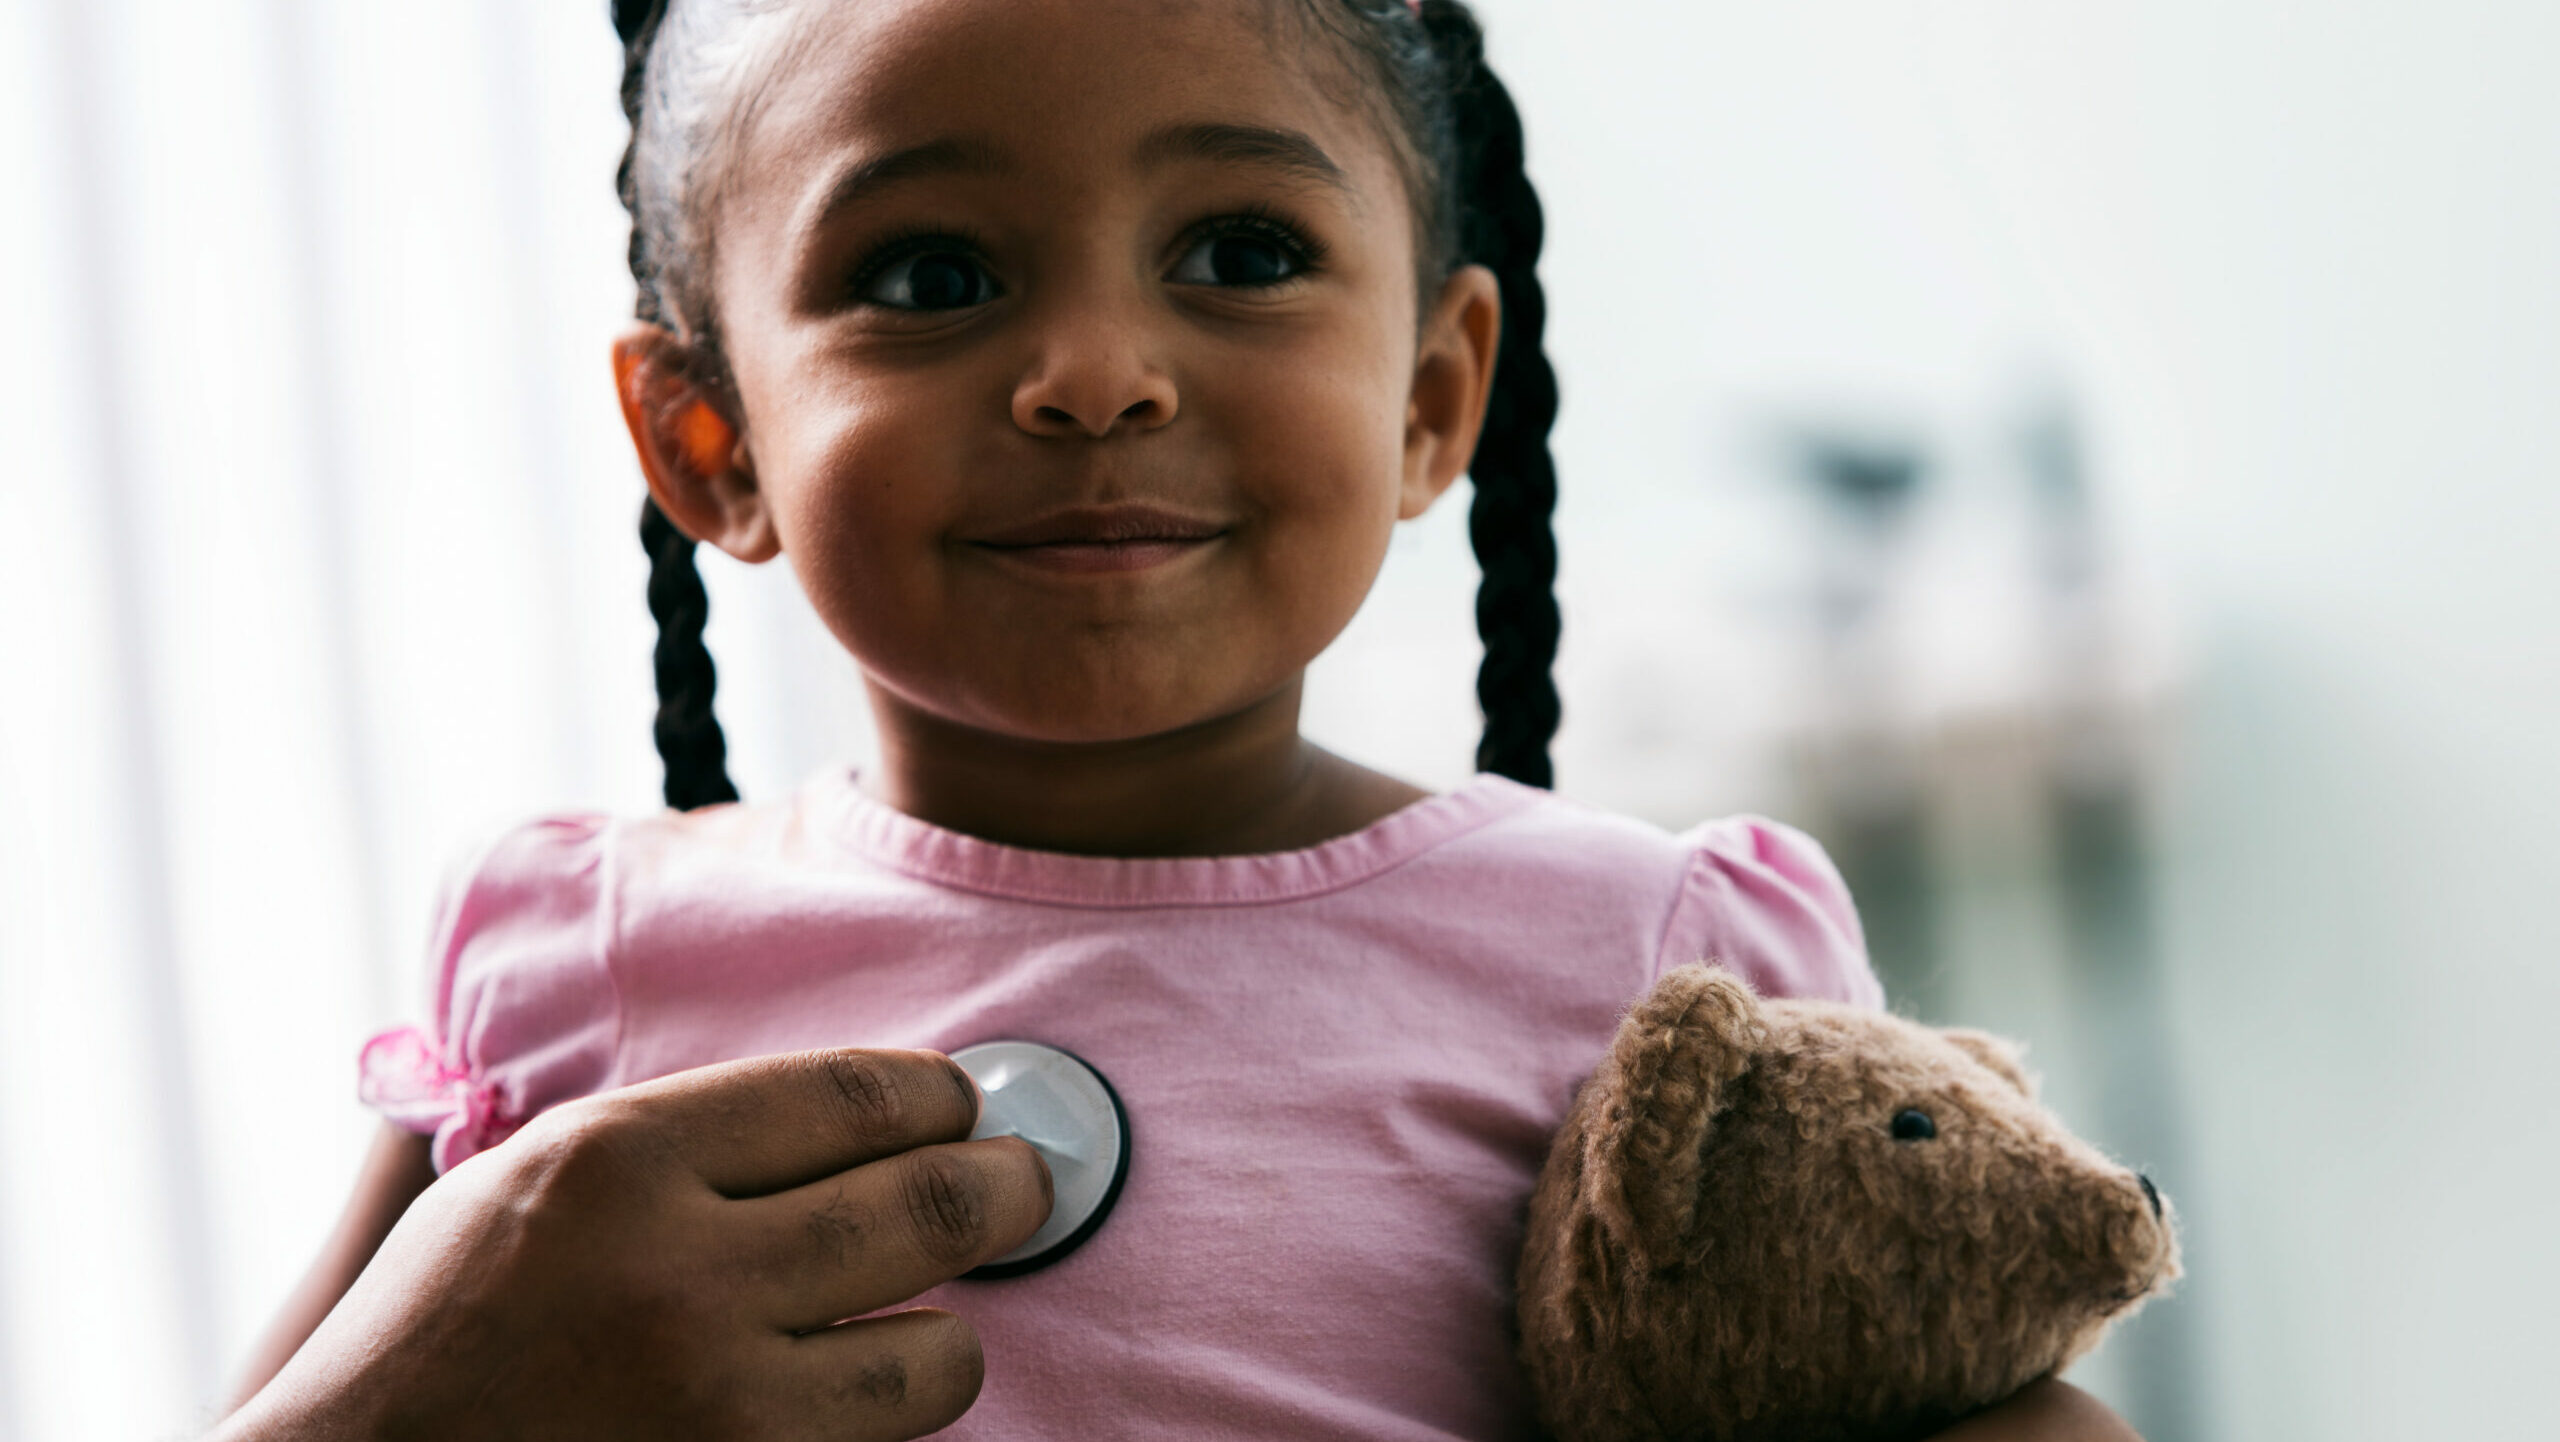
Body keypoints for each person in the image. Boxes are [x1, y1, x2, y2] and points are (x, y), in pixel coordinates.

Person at [223, 0, 2143, 1436]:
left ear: (1429, 393)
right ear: (707, 442)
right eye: (931, 275)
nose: (1094, 375)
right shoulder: (565, 963)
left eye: (1240, 253)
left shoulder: (1668, 964)